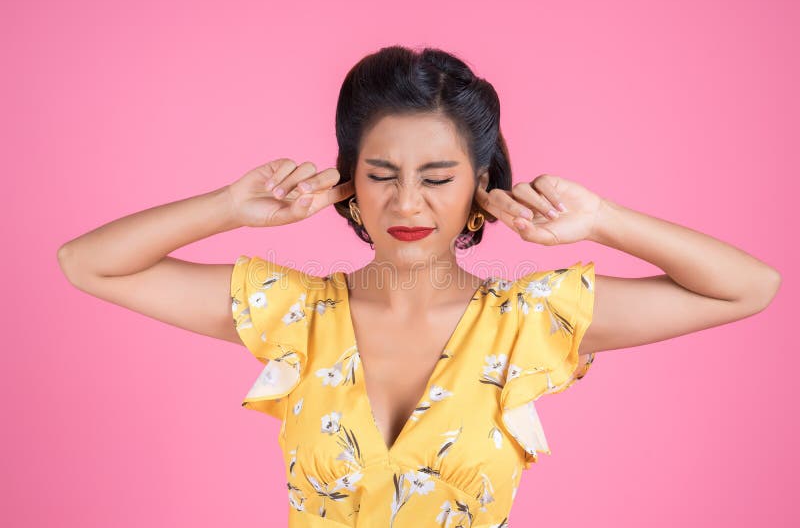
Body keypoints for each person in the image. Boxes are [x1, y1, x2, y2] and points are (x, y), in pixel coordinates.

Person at [57, 46, 781, 527]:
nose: (407, 204)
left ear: (479, 186)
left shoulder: (529, 321)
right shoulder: (295, 313)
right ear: (349, 184)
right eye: (382, 175)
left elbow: (748, 287)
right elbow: (87, 263)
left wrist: (601, 219)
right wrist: (225, 207)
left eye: (437, 178)